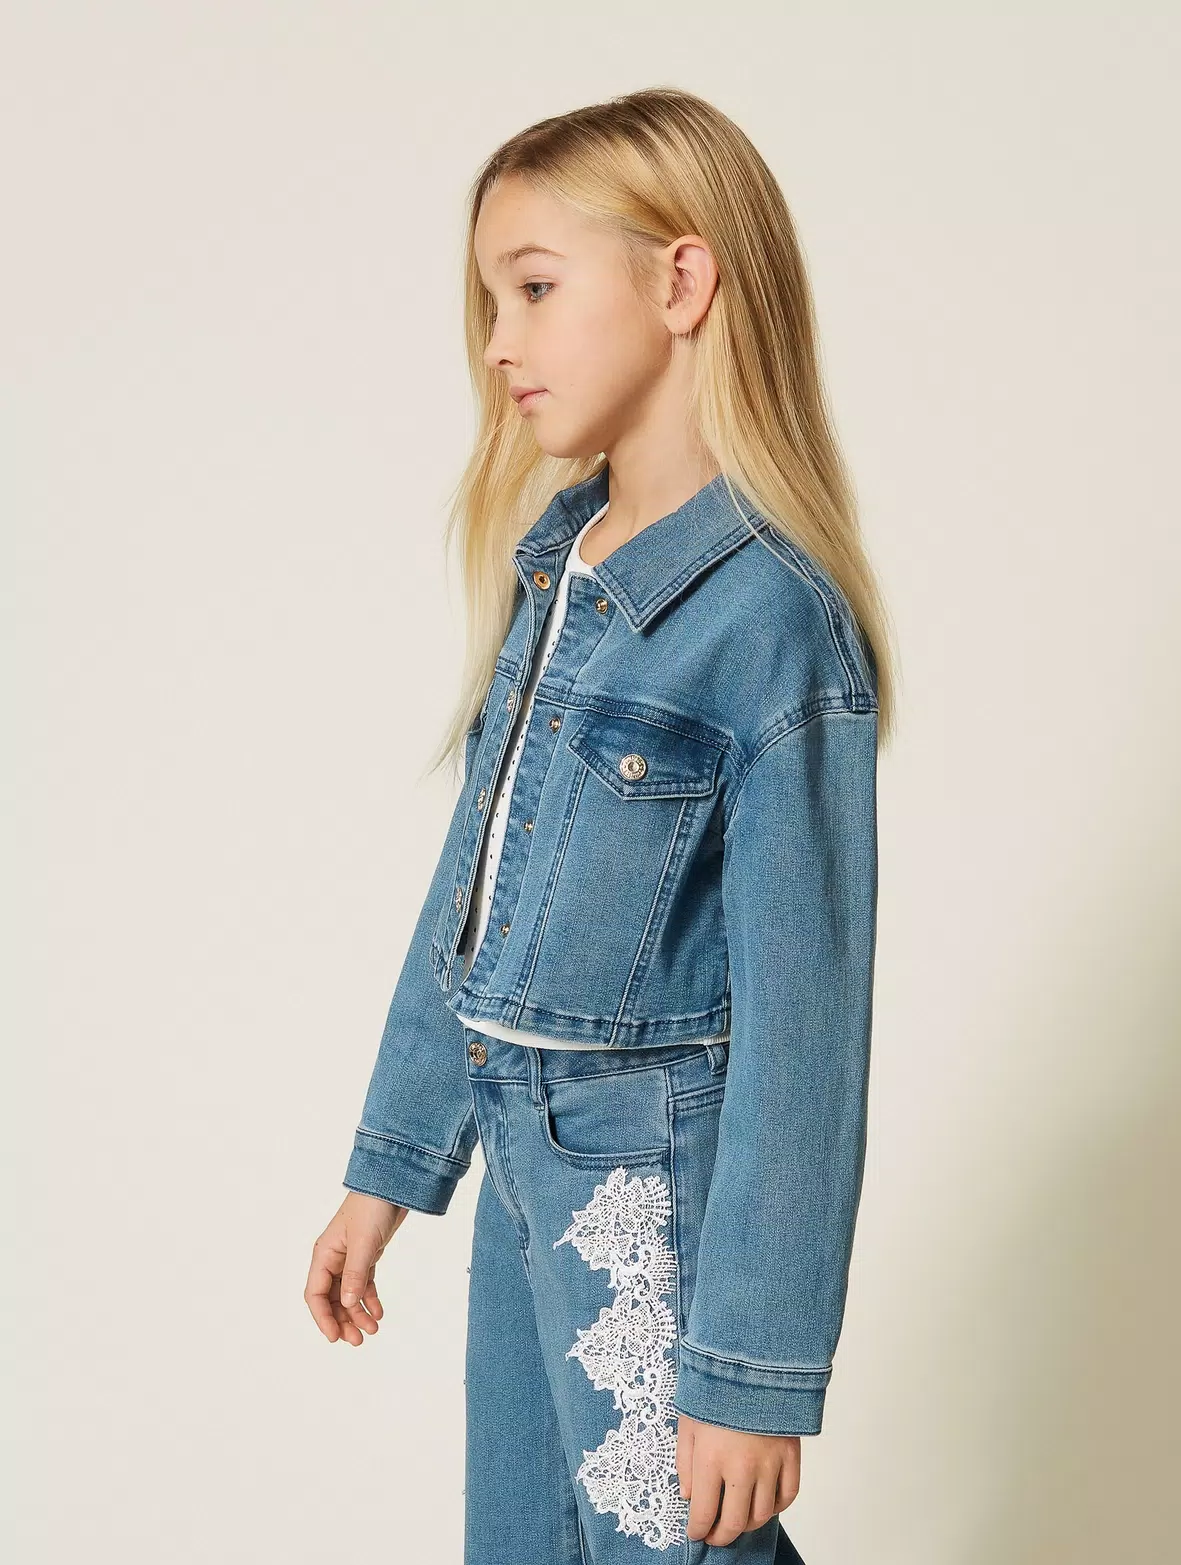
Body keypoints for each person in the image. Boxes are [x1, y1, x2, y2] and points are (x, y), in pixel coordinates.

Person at [304, 85, 896, 1564]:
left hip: (653, 1198)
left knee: (673, 1549)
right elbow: (476, 898)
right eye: (490, 301)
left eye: (535, 289)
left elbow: (807, 1033)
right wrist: (390, 1168)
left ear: (682, 283)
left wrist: (751, 1371)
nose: (497, 343)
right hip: (522, 1163)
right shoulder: (559, 563)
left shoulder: (770, 623)